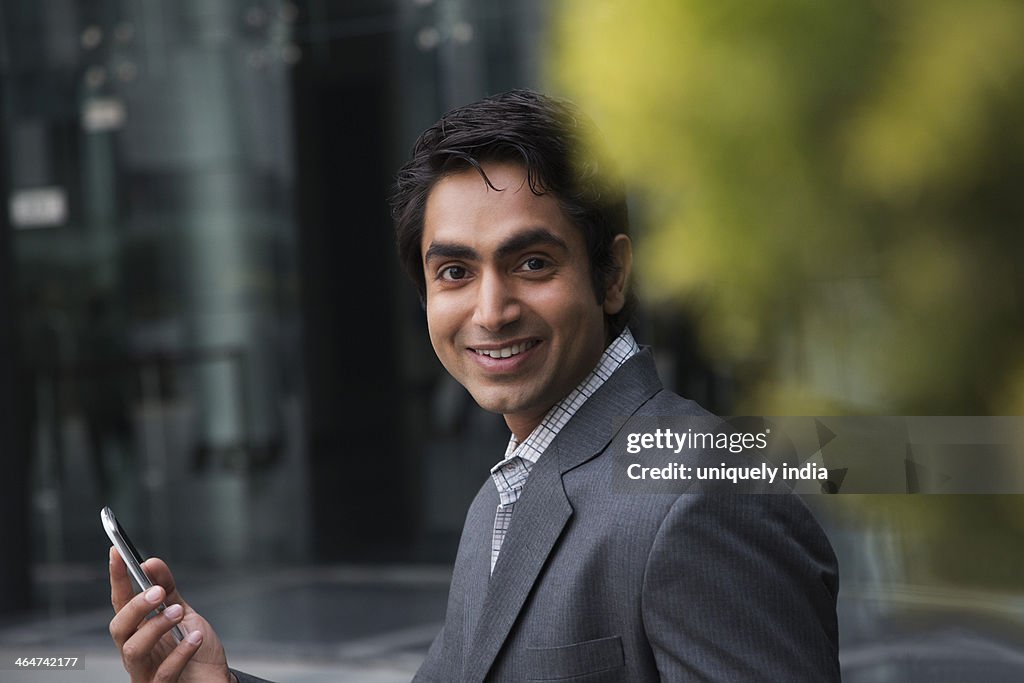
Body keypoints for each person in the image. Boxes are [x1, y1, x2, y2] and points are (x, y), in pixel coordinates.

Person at [108, 90, 840, 682]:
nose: (491, 311)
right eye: (454, 272)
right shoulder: (506, 491)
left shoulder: (705, 485)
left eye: (531, 263)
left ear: (612, 275)